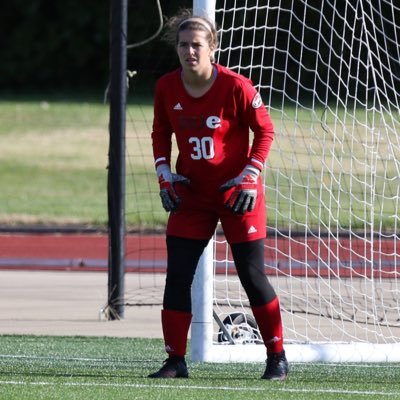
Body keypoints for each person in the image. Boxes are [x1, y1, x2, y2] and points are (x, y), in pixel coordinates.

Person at [148, 10, 289, 381]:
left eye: (197, 45)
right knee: (177, 275)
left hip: (237, 194)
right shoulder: (166, 86)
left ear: (213, 47)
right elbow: (160, 132)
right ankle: (175, 360)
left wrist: (250, 174)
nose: (189, 51)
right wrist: (165, 174)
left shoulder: (236, 86)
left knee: (252, 273)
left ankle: (276, 356)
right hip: (191, 195)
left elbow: (265, 131)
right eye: (183, 45)